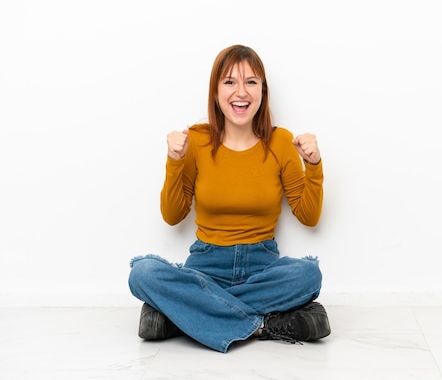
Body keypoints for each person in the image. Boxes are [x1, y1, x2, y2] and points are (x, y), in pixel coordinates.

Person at [128, 44, 330, 353]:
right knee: (142, 273)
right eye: (229, 82)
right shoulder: (195, 140)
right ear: (215, 91)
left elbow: (309, 216)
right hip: (206, 267)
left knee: (308, 275)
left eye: (251, 82)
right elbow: (172, 215)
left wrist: (313, 165)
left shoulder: (280, 142)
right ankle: (262, 326)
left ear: (263, 91)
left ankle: (182, 315)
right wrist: (174, 160)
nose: (241, 92)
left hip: (262, 268)